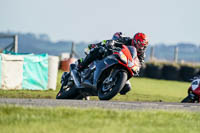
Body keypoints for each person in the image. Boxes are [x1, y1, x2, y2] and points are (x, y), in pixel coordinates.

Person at [78, 32, 149, 71]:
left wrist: (137, 67)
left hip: (124, 65)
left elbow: (139, 65)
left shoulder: (142, 55)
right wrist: (112, 43)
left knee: (127, 87)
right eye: (140, 44)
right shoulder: (127, 40)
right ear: (135, 41)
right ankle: (82, 65)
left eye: (143, 45)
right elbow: (113, 41)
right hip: (113, 54)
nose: (141, 47)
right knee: (100, 50)